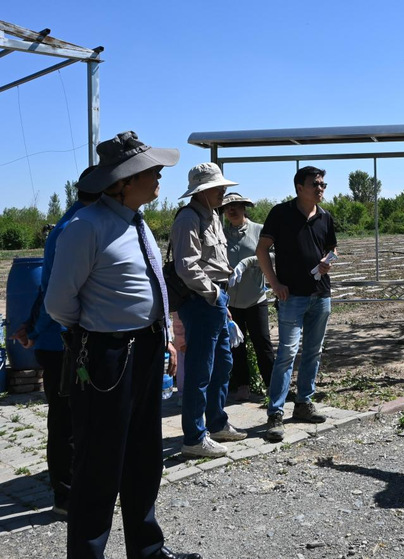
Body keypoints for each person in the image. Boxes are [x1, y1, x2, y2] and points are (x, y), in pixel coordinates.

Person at [44, 131, 201, 559]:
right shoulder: (86, 227)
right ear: (124, 181)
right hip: (107, 358)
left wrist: (163, 338)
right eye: (151, 171)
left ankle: (147, 550)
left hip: (145, 350)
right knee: (99, 464)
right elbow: (59, 303)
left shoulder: (136, 220)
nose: (159, 176)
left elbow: (151, 285)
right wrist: (98, 334)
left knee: (144, 457)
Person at [11, 166, 100, 517]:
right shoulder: (72, 229)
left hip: (68, 340)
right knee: (66, 422)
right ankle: (66, 495)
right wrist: (34, 331)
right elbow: (53, 291)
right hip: (61, 344)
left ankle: (79, 485)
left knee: (79, 418)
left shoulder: (81, 223)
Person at [255, 166, 337, 442]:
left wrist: (328, 261)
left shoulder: (325, 216)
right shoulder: (281, 213)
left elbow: (332, 249)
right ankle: (275, 413)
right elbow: (262, 249)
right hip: (291, 297)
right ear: (299, 188)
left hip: (321, 295)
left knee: (313, 351)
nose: (321, 188)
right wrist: (274, 283)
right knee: (286, 354)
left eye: (323, 184)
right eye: (316, 184)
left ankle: (303, 403)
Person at [171, 162, 246, 458]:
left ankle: (216, 423)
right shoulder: (188, 219)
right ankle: (194, 437)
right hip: (201, 300)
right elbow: (186, 265)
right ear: (201, 191)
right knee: (200, 370)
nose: (223, 192)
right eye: (217, 187)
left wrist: (221, 299)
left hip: (215, 301)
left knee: (222, 363)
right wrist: (215, 294)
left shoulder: (212, 215)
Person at [221, 192, 275, 402]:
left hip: (255, 298)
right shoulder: (221, 234)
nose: (231, 210)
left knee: (263, 344)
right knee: (236, 344)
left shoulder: (259, 230)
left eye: (235, 206)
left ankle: (272, 386)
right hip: (231, 301)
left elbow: (273, 255)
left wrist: (249, 262)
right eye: (227, 207)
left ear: (244, 208)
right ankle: (242, 385)